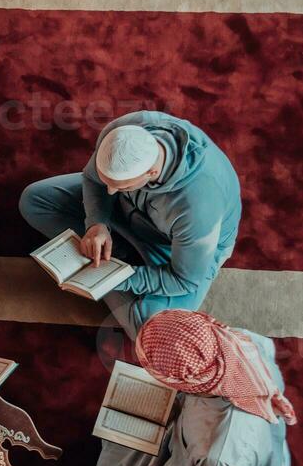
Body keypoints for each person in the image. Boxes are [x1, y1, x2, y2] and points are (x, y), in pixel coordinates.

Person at [81, 309, 300, 466]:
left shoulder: (218, 454)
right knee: (130, 399)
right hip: (250, 456)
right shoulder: (234, 340)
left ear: (187, 380)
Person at [19, 111, 240, 336]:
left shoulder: (198, 208)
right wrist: (97, 222)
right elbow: (93, 180)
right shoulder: (122, 131)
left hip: (171, 249)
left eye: (121, 186)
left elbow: (184, 280)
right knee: (34, 201)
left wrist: (112, 278)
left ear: (152, 172)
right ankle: (115, 253)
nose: (111, 191)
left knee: (149, 331)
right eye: (109, 182)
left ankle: (111, 265)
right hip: (125, 212)